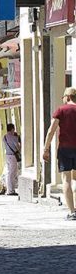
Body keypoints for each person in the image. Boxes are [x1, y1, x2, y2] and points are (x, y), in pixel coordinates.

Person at [43, 87, 76, 220]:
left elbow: (51, 131)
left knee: (66, 179)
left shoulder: (61, 110)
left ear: (67, 97)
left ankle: (72, 212)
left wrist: (46, 149)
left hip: (65, 149)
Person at [2, 124, 21, 196]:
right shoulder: (13, 137)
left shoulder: (4, 137)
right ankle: (11, 190)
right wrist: (18, 139)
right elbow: (18, 147)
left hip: (7, 156)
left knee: (8, 173)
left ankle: (9, 189)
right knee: (12, 173)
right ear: (12, 129)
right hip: (13, 156)